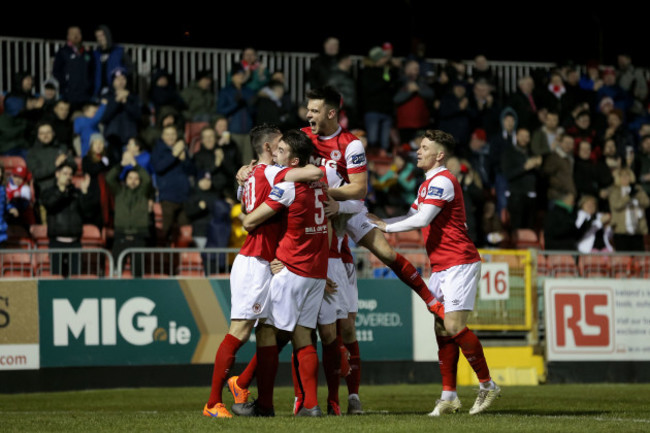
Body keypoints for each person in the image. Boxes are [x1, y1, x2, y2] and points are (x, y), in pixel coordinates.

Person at [302, 86, 443, 413]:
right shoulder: (302, 138)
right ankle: (323, 399)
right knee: (337, 326)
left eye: (313, 110)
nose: (308, 116)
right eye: (307, 110)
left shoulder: (350, 144)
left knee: (387, 252)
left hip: (345, 205)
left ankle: (430, 299)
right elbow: (275, 160)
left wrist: (331, 198)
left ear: (331, 113)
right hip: (318, 213)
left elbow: (359, 188)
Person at [369, 129, 500, 416]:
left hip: (460, 261)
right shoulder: (427, 184)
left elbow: (423, 219)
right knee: (441, 329)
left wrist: (386, 228)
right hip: (441, 264)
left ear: (439, 154)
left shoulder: (443, 181)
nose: (418, 151)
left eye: (424, 147)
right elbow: (411, 215)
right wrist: (379, 221)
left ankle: (488, 385)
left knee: (452, 326)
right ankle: (449, 396)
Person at [202, 125, 323, 418]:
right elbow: (312, 174)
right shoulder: (270, 173)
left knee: (268, 332)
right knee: (241, 331)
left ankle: (257, 399)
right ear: (268, 148)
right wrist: (314, 167)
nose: (282, 149)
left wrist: (243, 174)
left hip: (270, 260)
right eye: (279, 145)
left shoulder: (252, 175)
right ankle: (213, 403)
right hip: (255, 260)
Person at [233, 130, 329, 418]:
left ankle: (264, 405)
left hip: (292, 270)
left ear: (294, 160)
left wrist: (241, 215)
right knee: (302, 336)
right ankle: (311, 405)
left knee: (266, 332)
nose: (276, 153)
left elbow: (251, 221)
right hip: (316, 272)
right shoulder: (320, 186)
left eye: (282, 150)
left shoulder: (288, 186)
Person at [41, 161, 97, 277]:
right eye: (65, 174)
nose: (68, 177)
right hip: (56, 242)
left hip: (74, 243)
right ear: (57, 174)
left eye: (70, 174)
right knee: (56, 277)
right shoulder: (48, 192)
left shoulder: (76, 193)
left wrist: (85, 192)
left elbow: (88, 213)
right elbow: (50, 205)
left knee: (74, 278)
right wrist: (61, 191)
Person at [106, 152, 151, 278]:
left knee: (138, 271)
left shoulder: (143, 192)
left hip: (139, 235)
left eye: (136, 179)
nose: (133, 181)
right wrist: (121, 165)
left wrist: (135, 165)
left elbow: (147, 179)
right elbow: (109, 178)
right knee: (116, 269)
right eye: (130, 178)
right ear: (125, 180)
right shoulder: (119, 192)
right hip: (121, 234)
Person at [151, 125, 192, 244]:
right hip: (168, 197)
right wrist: (174, 155)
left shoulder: (181, 149)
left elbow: (192, 170)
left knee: (185, 232)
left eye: (173, 134)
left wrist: (185, 160)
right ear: (162, 136)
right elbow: (159, 167)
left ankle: (183, 258)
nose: (170, 137)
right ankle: (162, 258)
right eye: (167, 134)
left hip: (184, 197)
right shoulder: (158, 150)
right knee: (165, 231)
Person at [501, 127, 542, 231]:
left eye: (527, 136)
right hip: (516, 195)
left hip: (531, 195)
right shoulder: (509, 152)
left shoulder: (532, 153)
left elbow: (541, 175)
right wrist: (524, 167)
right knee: (517, 228)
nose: (524, 139)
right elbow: (507, 174)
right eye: (522, 136)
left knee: (530, 228)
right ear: (516, 137)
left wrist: (539, 166)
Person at [359, 46, 399, 153]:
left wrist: (395, 69)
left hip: (386, 110)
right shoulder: (367, 71)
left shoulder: (387, 71)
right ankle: (371, 164)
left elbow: (395, 83)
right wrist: (384, 83)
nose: (385, 59)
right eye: (382, 57)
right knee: (372, 140)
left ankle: (383, 166)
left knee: (384, 143)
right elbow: (370, 88)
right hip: (372, 110)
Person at [216, 64, 256, 166]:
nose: (240, 76)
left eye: (242, 74)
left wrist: (248, 105)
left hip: (247, 132)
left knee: (248, 163)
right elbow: (220, 110)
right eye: (238, 74)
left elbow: (254, 111)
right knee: (234, 162)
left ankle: (248, 182)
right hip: (232, 132)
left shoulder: (249, 91)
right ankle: (235, 182)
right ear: (232, 76)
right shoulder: (226, 91)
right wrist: (236, 104)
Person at [101, 67, 142, 162]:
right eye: (117, 79)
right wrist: (116, 101)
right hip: (113, 138)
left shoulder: (133, 97)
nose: (121, 82)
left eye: (123, 79)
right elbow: (104, 117)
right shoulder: (106, 97)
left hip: (130, 137)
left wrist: (125, 101)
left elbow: (138, 115)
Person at [192, 126, 241, 202]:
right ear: (202, 140)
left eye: (211, 136)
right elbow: (201, 175)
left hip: (226, 191)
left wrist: (224, 160)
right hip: (208, 194)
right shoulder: (198, 156)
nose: (208, 140)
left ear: (215, 138)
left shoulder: (223, 151)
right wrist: (216, 164)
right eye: (205, 137)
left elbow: (233, 172)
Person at [607, 166, 650, 251]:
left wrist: (636, 194)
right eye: (622, 176)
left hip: (637, 230)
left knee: (638, 258)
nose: (625, 178)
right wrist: (628, 196)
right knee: (624, 258)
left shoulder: (638, 189)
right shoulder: (615, 190)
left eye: (628, 175)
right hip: (621, 230)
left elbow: (647, 203)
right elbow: (616, 205)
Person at [52, 26, 93, 112]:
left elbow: (93, 70)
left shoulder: (87, 52)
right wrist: (66, 84)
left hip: (85, 95)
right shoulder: (62, 51)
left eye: (78, 33)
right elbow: (56, 71)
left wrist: (89, 85)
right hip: (69, 95)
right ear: (68, 37)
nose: (76, 36)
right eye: (73, 34)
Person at [394, 60, 435, 144]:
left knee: (422, 148)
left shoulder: (422, 82)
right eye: (415, 69)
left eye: (417, 69)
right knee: (405, 149)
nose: (417, 71)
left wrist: (418, 89)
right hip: (404, 124)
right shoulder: (399, 82)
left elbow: (431, 94)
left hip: (421, 123)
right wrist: (409, 91)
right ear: (407, 70)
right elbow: (395, 99)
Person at [82, 133, 115, 230]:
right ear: (91, 145)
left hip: (108, 194)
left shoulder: (109, 158)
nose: (98, 145)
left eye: (101, 143)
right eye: (95, 143)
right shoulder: (87, 159)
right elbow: (92, 170)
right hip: (94, 195)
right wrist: (102, 163)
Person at [93, 25, 133, 98]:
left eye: (102, 35)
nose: (100, 38)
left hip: (116, 91)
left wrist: (121, 77)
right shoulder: (95, 54)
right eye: (97, 36)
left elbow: (130, 68)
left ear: (107, 35)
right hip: (99, 92)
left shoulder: (119, 51)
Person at [327, 52, 359, 129]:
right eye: (349, 60)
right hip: (342, 112)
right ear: (343, 61)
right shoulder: (335, 76)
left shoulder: (348, 75)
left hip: (349, 111)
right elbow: (330, 91)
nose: (351, 63)